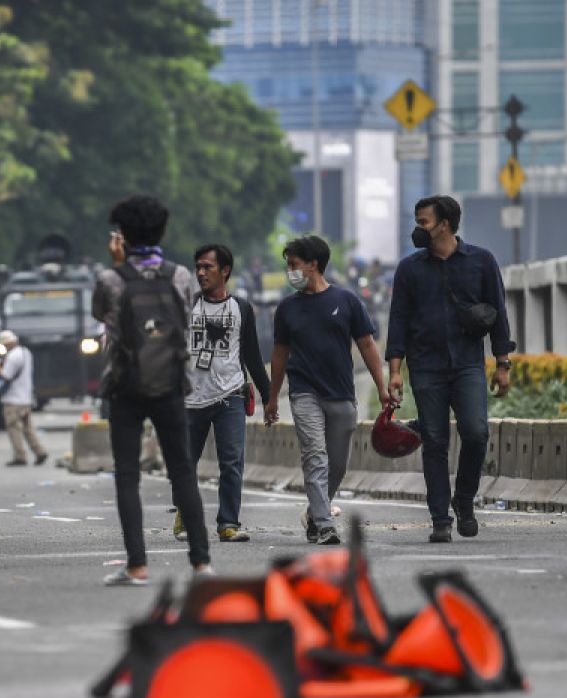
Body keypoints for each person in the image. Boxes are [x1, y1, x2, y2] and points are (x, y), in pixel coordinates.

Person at [92, 195, 211, 585]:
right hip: (171, 384)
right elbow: (186, 312)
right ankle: (201, 564)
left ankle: (138, 565)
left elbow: (100, 313)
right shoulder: (180, 276)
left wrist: (119, 264)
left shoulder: (110, 279)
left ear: (122, 236)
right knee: (182, 473)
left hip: (126, 386)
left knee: (127, 476)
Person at [386, 195, 515, 543]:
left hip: (468, 364)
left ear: (444, 224)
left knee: (476, 433)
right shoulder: (409, 269)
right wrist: (395, 370)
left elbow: (499, 314)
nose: (418, 228)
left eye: (423, 221)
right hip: (425, 367)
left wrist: (503, 364)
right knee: (435, 442)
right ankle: (440, 517)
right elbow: (398, 319)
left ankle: (464, 497)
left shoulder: (482, 262)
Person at [264, 235, 389, 545]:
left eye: (294, 265)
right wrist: (272, 398)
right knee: (314, 455)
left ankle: (312, 512)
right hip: (304, 392)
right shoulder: (287, 309)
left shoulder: (346, 301)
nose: (290, 271)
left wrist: (383, 389)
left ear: (313, 265)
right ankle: (324, 524)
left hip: (342, 394)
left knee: (337, 465)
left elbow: (367, 345)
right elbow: (279, 355)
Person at [179, 243, 271, 543]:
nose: (201, 272)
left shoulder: (241, 308)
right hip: (191, 397)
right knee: (185, 461)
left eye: (208, 267)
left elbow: (253, 356)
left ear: (225, 271)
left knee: (231, 461)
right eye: (199, 267)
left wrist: (269, 397)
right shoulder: (187, 305)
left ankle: (228, 522)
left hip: (230, 394)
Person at [0, 330, 48, 467]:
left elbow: (6, 376)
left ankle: (20, 456)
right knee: (28, 427)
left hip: (13, 399)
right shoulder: (25, 352)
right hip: (26, 398)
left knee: (13, 428)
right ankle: (40, 451)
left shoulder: (12, 357)